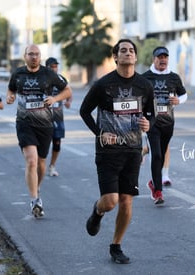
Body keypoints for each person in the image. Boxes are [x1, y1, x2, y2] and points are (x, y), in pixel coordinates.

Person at [80, 38, 155, 264]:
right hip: (108, 151)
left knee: (126, 201)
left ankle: (116, 246)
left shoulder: (144, 85)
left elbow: (151, 113)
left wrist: (148, 123)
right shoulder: (103, 85)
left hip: (133, 149)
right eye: (123, 50)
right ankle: (98, 211)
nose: (128, 53)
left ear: (135, 56)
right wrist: (100, 133)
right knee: (110, 201)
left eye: (131, 50)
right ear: (116, 57)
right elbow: (84, 111)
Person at [6, 44, 72, 218]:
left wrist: (55, 98)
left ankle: (37, 187)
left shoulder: (48, 74)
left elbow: (67, 90)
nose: (34, 57)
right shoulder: (18, 73)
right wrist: (10, 96)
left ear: (40, 56)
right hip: (24, 122)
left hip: (45, 124)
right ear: (25, 56)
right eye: (31, 54)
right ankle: (35, 199)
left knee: (41, 163)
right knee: (32, 161)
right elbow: (11, 88)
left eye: (37, 54)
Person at [142, 46, 187, 204]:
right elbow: (137, 96)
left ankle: (154, 183)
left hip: (168, 122)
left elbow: (183, 94)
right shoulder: (145, 77)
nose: (163, 60)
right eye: (159, 57)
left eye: (165, 57)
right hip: (151, 122)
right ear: (154, 59)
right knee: (157, 154)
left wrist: (178, 100)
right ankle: (158, 192)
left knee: (160, 154)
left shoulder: (174, 77)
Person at [45, 57, 73, 177]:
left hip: (58, 117)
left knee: (57, 144)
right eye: (52, 66)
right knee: (42, 145)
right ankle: (38, 164)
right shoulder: (41, 79)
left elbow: (69, 92)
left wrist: (68, 102)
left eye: (56, 66)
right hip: (43, 118)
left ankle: (52, 166)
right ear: (46, 67)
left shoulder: (61, 79)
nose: (54, 69)